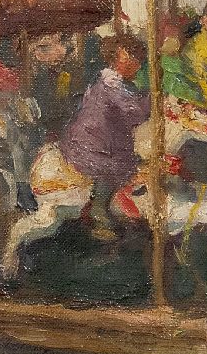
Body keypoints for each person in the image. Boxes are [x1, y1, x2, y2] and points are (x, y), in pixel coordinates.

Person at [60, 33, 151, 222]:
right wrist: (154, 101)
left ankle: (112, 196)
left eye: (137, 60)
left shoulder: (113, 81)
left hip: (96, 139)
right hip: (89, 144)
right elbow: (134, 112)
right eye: (129, 59)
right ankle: (99, 209)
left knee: (130, 157)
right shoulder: (111, 83)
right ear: (115, 60)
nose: (135, 65)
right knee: (117, 165)